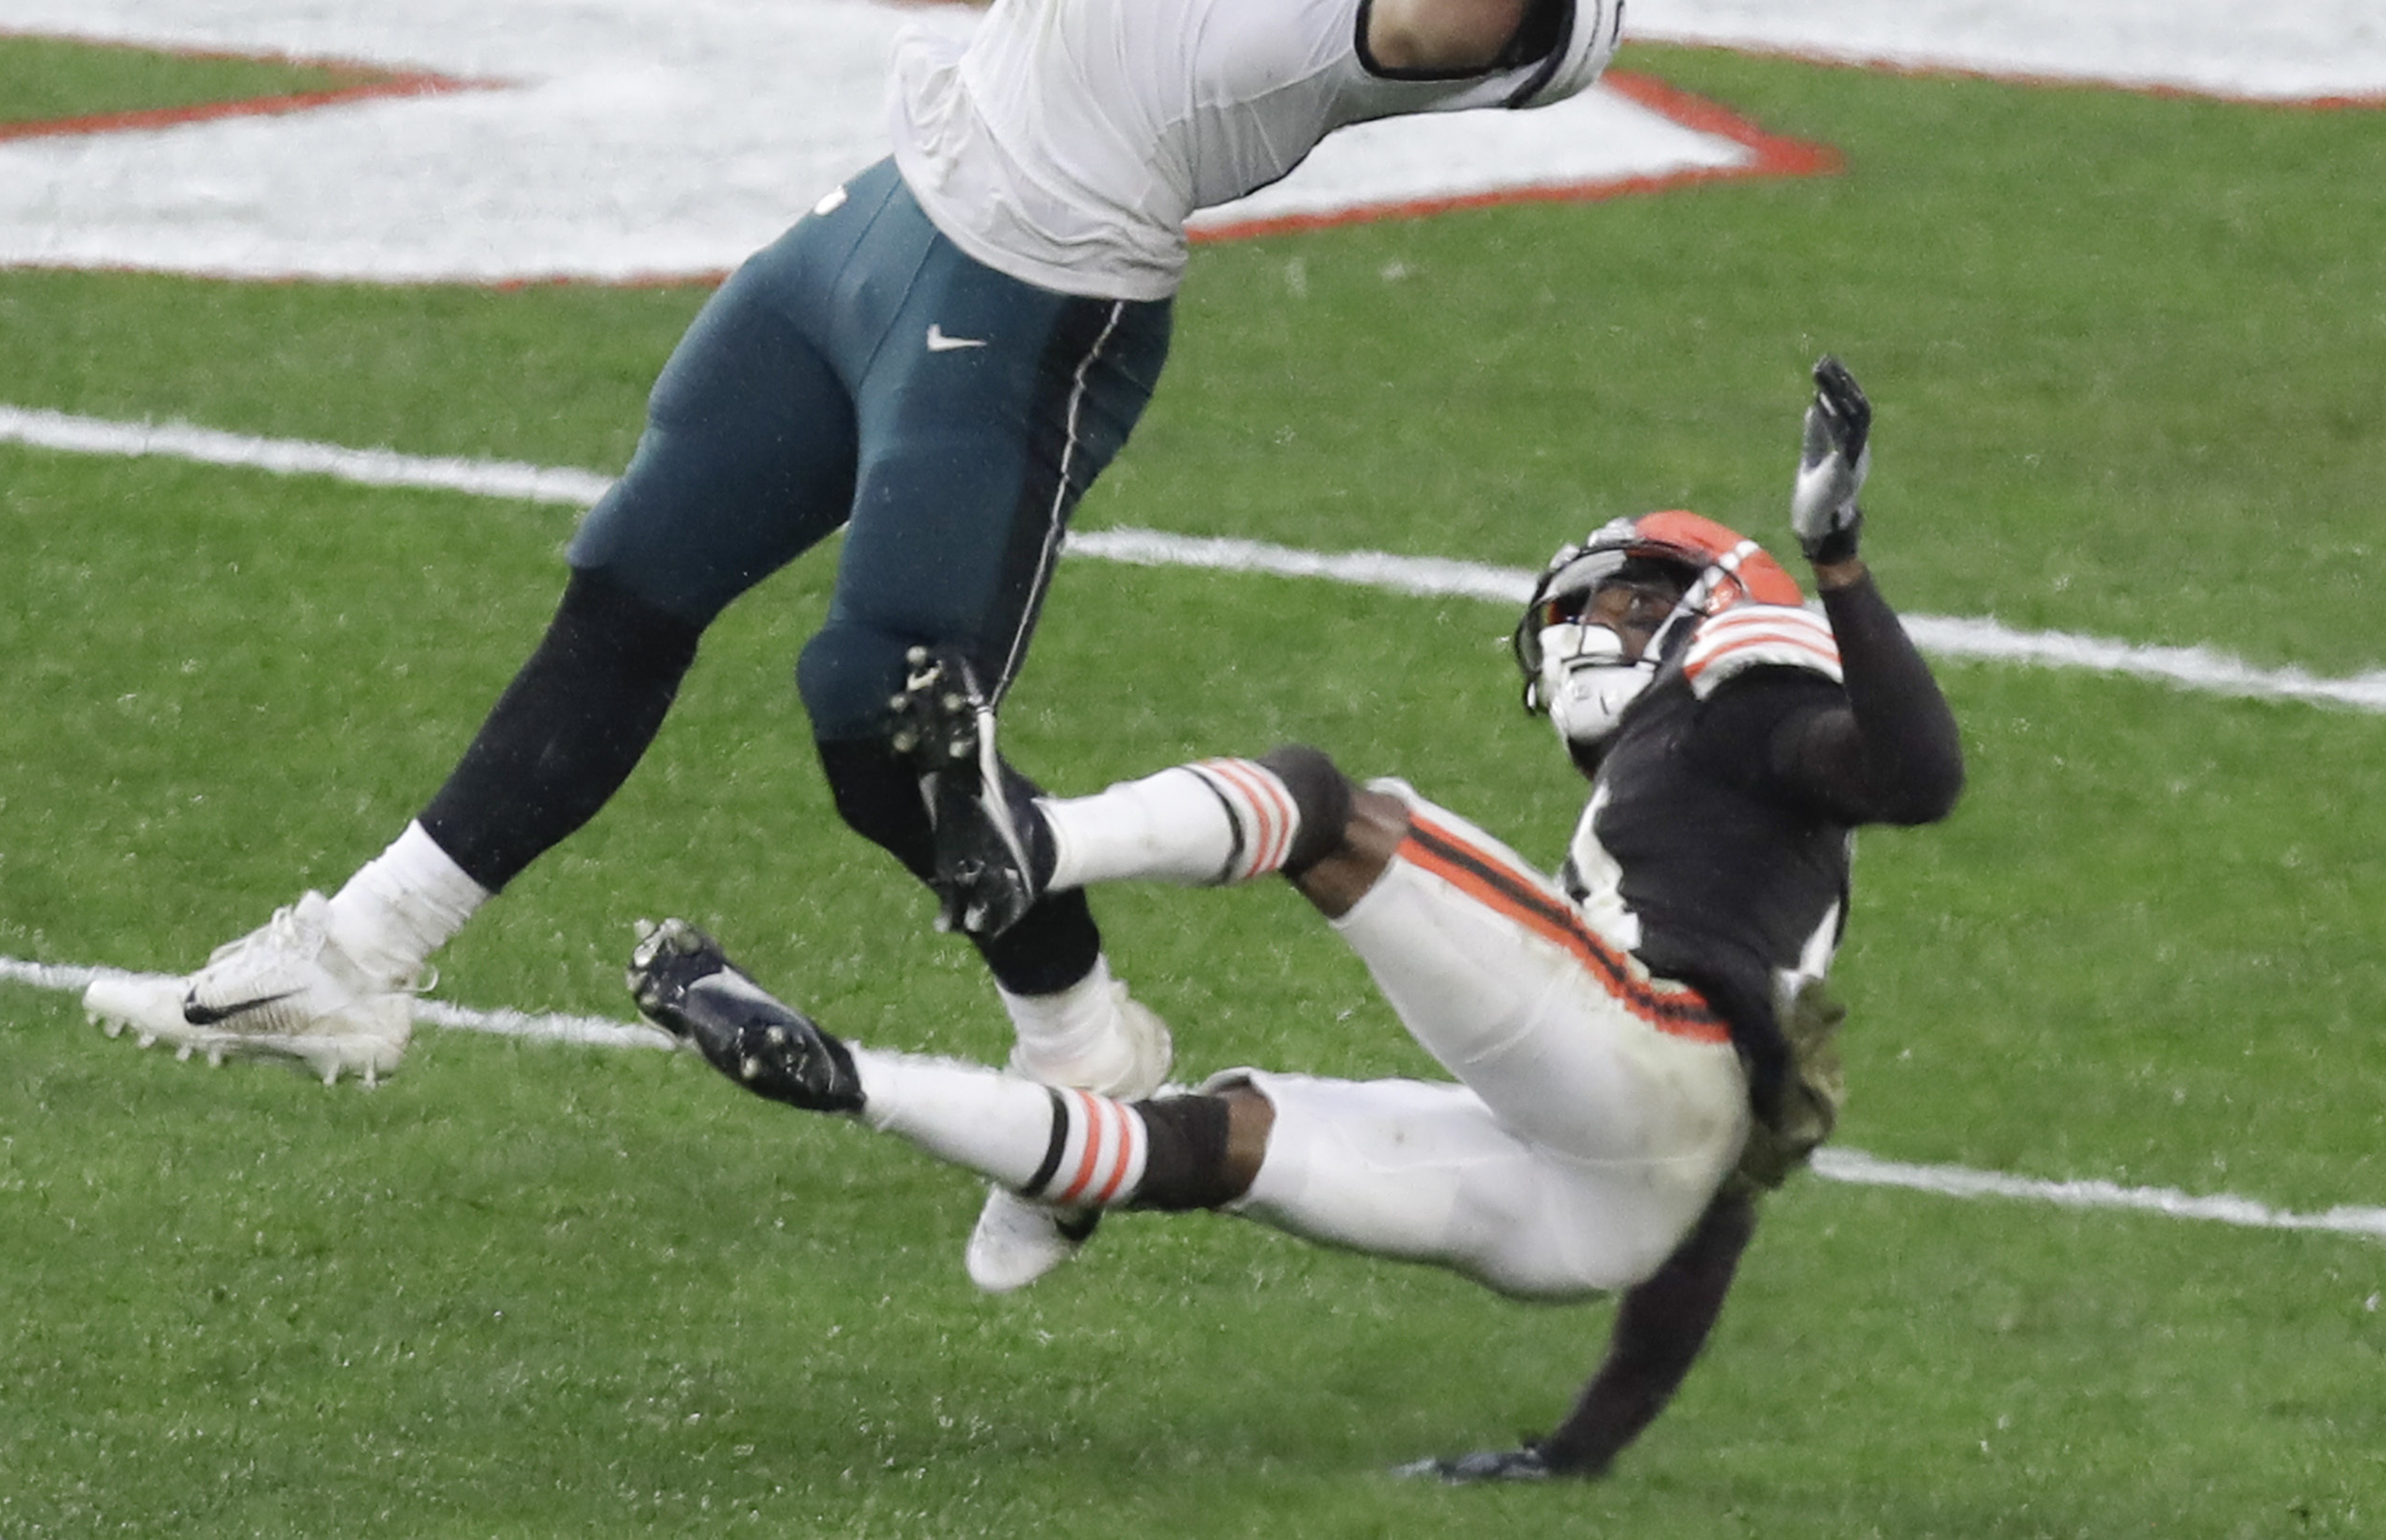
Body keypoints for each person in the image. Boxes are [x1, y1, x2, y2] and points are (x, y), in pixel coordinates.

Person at [82, 0, 2020, 1291]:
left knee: (883, 714)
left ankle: (1082, 1047)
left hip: (1034, 291)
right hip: (907, 193)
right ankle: (360, 953)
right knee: (635, 568)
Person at [626, 358, 1966, 1480]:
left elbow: (1919, 776)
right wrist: (1581, 1455)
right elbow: (1721, 1184)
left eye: (1621, 598)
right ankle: (848, 1081)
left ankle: (1032, 846)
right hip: (1612, 1208)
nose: (1581, 629)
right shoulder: (1740, 843)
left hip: (1638, 1059)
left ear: (1706, 610)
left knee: (1332, 810)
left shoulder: (1749, 703)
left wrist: (1836, 561)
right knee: (1213, 1141)